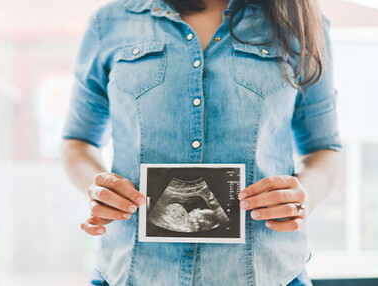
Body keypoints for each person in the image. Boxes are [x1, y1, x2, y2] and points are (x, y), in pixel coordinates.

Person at [60, 0, 342, 284]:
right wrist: (97, 187)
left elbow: (324, 147)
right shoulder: (108, 22)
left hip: (269, 273)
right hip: (132, 272)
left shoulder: (300, 22)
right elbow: (78, 140)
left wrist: (305, 194)